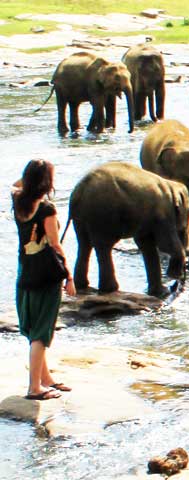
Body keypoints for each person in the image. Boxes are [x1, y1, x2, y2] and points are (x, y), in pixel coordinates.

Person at [12, 160, 77, 401]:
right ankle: (34, 388)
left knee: (34, 327)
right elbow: (55, 245)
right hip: (46, 275)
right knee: (41, 332)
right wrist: (69, 276)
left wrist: (29, 180)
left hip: (25, 273)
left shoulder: (19, 200)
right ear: (46, 182)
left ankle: (45, 378)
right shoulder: (46, 209)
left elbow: (15, 184)